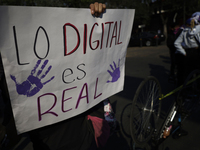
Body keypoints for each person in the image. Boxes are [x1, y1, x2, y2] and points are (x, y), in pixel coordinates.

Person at [0, 2, 117, 150]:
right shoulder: (11, 79)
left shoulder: (76, 61)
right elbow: (13, 129)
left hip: (86, 141)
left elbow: (97, 87)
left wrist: (97, 16)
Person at [174, 14, 200, 86]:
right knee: (197, 72)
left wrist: (183, 52)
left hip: (187, 53)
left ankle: (187, 91)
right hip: (196, 52)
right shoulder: (198, 31)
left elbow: (176, 43)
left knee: (188, 73)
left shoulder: (184, 31)